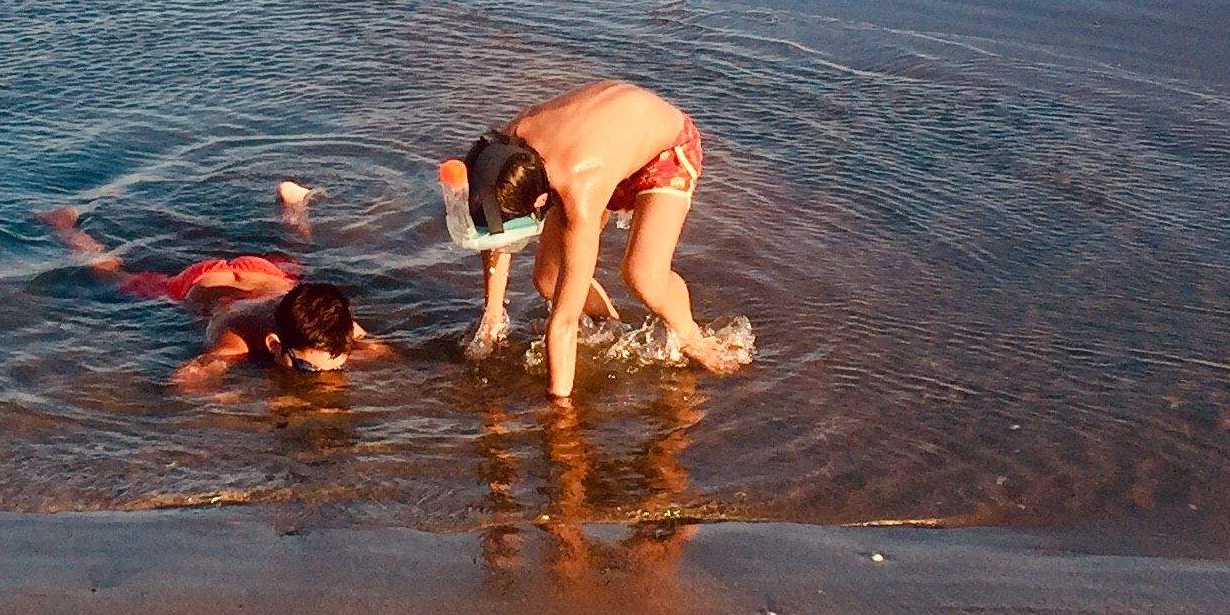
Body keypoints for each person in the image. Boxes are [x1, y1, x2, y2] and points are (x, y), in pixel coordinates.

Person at [458, 79, 740, 400]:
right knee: (548, 281)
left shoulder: (580, 193)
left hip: (665, 151)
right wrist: (493, 312)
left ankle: (692, 336)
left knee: (643, 275)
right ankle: (610, 327)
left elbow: (562, 323)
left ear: (538, 202)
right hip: (606, 147)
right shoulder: (502, 149)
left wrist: (561, 411)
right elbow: (494, 221)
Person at [44, 206, 391, 387]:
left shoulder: (333, 327)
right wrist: (229, 394)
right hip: (203, 282)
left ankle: (293, 206)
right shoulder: (238, 339)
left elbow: (377, 350)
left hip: (264, 275)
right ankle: (61, 225)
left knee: (295, 257)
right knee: (108, 275)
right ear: (272, 345)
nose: (321, 377)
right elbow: (189, 376)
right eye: (305, 369)